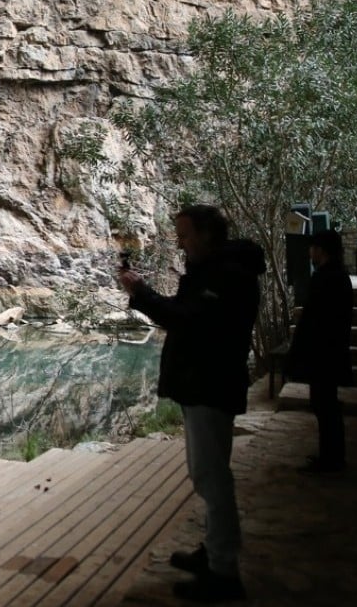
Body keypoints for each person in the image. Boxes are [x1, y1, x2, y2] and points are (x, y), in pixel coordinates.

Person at [118, 205, 264, 603]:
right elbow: (190, 313)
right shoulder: (218, 269)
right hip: (206, 384)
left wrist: (141, 293)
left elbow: (188, 320)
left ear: (206, 235)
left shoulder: (226, 274)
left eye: (184, 236)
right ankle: (213, 551)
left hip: (209, 385)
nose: (180, 243)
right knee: (211, 474)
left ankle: (223, 573)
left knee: (210, 479)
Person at [287, 229, 353, 473]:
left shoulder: (326, 278)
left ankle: (332, 460)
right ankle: (331, 456)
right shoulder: (337, 276)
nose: (309, 251)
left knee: (325, 406)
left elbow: (316, 321)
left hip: (324, 354)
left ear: (321, 250)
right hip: (330, 352)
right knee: (325, 406)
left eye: (312, 247)